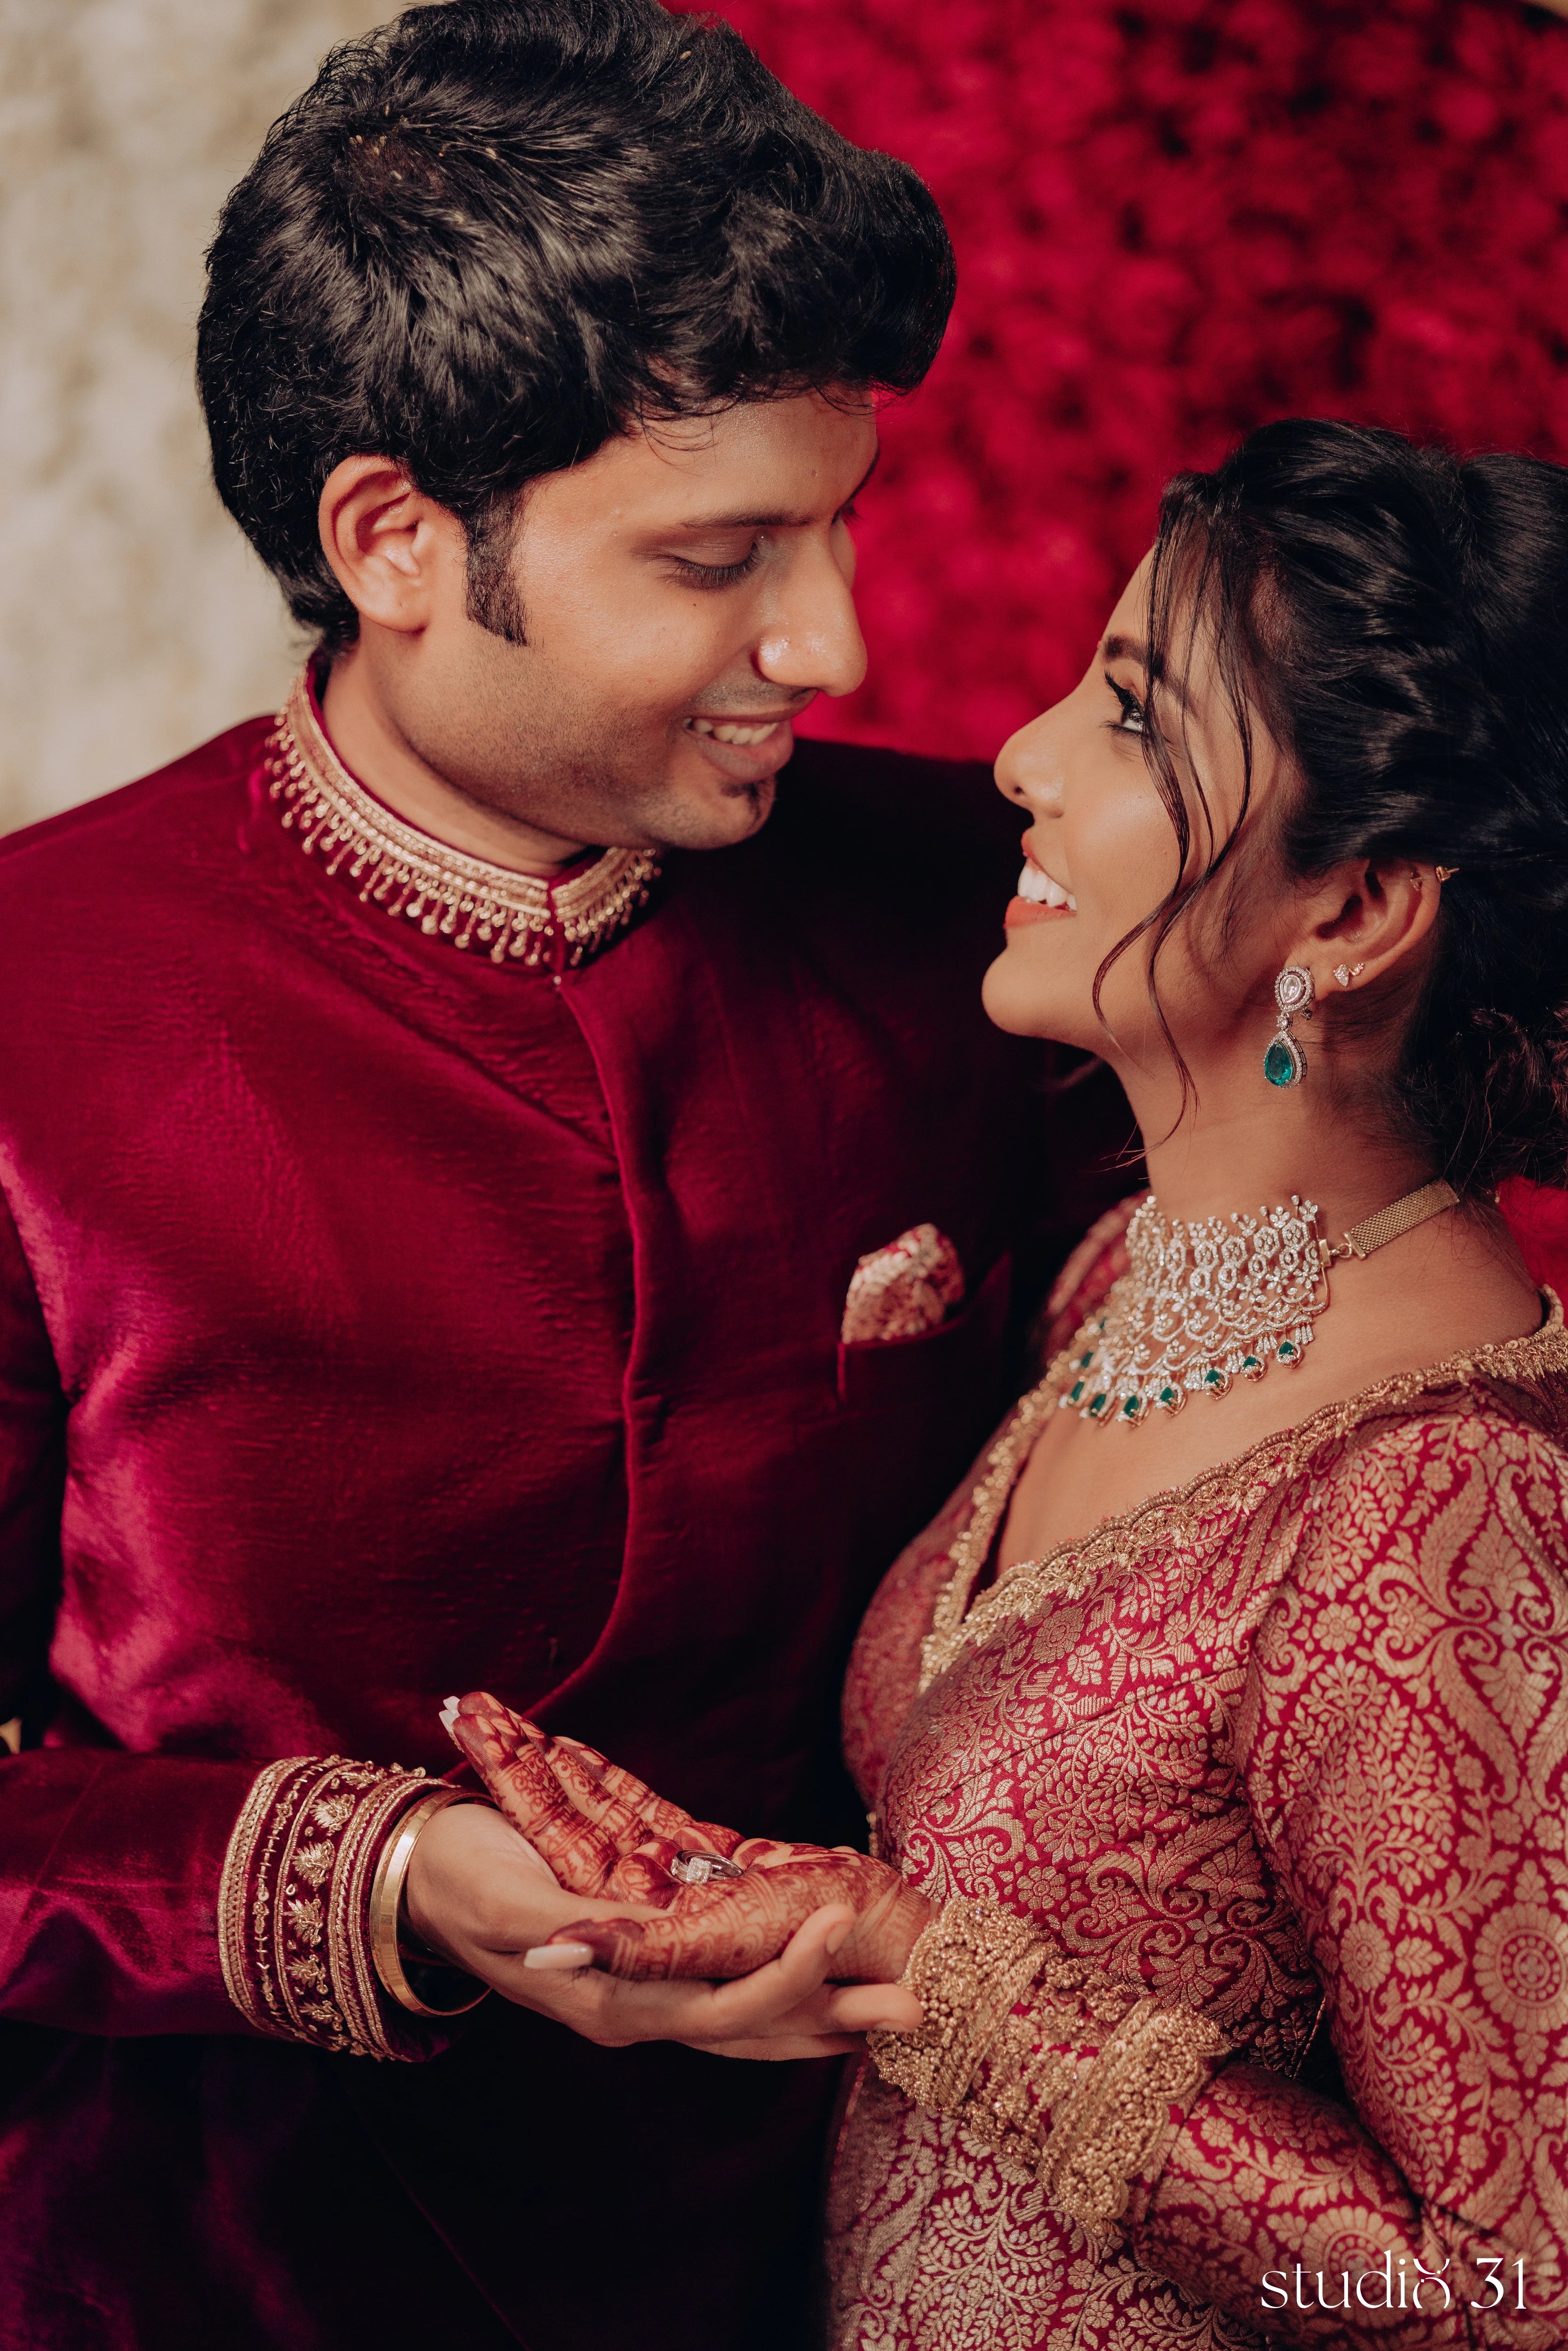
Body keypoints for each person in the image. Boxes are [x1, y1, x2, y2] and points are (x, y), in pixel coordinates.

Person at [0, 6, 1126, 2347]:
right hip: (201, 2258)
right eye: (720, 557)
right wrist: (395, 1874)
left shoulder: (989, 917)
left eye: (841, 521)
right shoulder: (34, 1005)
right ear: (395, 540)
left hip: (854, 2243)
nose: (835, 638)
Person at [487, 418, 1568, 2347]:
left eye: (1137, 718)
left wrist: (935, 1977)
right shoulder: (1127, 1282)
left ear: (1351, 912)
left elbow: (1513, 2284)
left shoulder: (1442, 1498)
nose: (1024, 754)